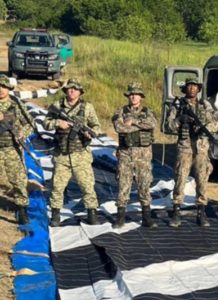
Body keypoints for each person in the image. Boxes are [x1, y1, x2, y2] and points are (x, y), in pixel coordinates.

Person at [43, 78, 101, 227]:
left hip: (80, 155)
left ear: (80, 92)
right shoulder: (57, 106)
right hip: (61, 155)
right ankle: (56, 215)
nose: (72, 91)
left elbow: (96, 126)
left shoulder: (87, 107)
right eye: (69, 88)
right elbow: (46, 122)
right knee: (57, 187)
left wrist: (90, 133)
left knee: (87, 186)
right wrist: (58, 123)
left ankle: (92, 213)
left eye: (75, 89)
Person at [165, 78, 218, 227]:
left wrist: (203, 128)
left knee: (202, 180)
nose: (192, 88)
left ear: (199, 89)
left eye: (195, 86)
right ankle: (176, 211)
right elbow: (168, 126)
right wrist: (180, 120)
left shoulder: (205, 105)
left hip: (201, 148)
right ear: (185, 89)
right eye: (189, 86)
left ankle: (201, 212)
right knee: (180, 179)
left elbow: (215, 123)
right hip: (185, 147)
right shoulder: (177, 105)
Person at [112, 82, 157, 228]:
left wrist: (134, 122)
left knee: (144, 185)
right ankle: (120, 217)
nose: (133, 96)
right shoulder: (121, 111)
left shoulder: (148, 111)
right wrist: (136, 126)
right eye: (131, 94)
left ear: (141, 97)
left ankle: (146, 217)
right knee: (123, 185)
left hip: (143, 155)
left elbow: (152, 124)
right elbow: (119, 127)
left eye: (136, 94)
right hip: (126, 154)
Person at [0, 75, 34, 225]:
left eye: (4, 87)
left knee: (19, 180)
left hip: (12, 149)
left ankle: (22, 209)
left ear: (9, 88)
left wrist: (22, 134)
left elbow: (30, 123)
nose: (1, 90)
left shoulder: (16, 104)